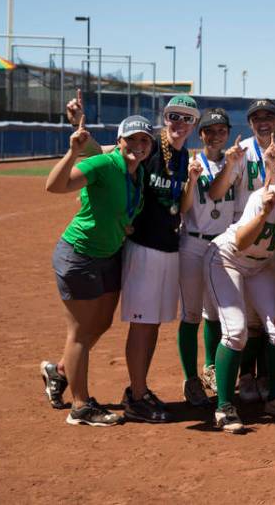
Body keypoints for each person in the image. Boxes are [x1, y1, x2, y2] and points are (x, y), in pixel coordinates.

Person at [66, 93, 200, 423]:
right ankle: (137, 396)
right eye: (174, 116)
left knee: (151, 324)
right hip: (142, 247)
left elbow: (180, 205)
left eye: (187, 118)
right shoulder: (149, 145)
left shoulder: (183, 157)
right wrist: (79, 130)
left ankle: (60, 372)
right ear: (164, 118)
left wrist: (192, 183)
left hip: (168, 246)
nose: (179, 124)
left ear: (194, 124)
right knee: (142, 325)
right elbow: (110, 158)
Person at [40, 113, 153, 425]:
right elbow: (55, 185)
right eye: (131, 139)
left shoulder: (137, 172)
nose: (137, 145)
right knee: (79, 331)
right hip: (79, 255)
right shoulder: (104, 164)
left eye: (144, 140)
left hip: (109, 255)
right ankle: (81, 406)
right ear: (119, 141)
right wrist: (73, 153)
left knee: (101, 323)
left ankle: (61, 370)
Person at [203, 148, 275, 433]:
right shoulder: (263, 197)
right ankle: (224, 406)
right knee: (236, 331)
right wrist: (265, 213)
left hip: (260, 267)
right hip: (225, 258)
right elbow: (241, 242)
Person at [176, 108, 242, 408]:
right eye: (209, 130)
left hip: (221, 243)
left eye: (221, 130)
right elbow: (185, 204)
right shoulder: (192, 163)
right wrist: (191, 180)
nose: (216, 135)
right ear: (200, 134)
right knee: (191, 313)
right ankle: (191, 379)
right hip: (193, 243)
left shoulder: (235, 162)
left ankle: (211, 368)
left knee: (214, 312)